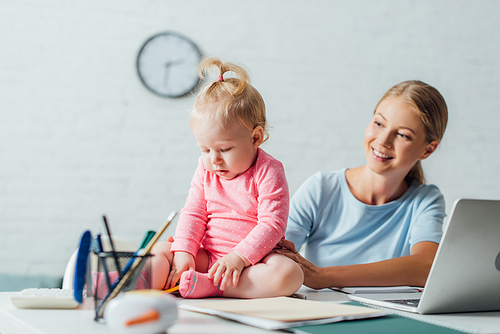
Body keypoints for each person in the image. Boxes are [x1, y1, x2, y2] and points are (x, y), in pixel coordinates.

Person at [151, 58, 303, 299]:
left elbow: (272, 225)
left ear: (256, 138)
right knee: (159, 250)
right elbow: (194, 212)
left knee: (289, 274)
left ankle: (214, 286)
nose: (214, 160)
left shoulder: (268, 170)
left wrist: (238, 258)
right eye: (205, 149)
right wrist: (184, 254)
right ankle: (130, 285)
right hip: (208, 256)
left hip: (250, 264)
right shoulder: (206, 168)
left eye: (224, 149)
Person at [275, 80, 448, 290]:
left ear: (427, 150)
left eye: (402, 135)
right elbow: (275, 254)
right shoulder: (321, 189)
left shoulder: (426, 200)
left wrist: (324, 276)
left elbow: (425, 268)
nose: (383, 140)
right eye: (379, 123)